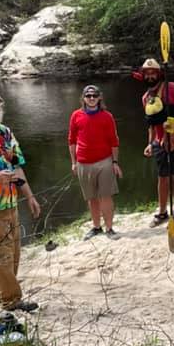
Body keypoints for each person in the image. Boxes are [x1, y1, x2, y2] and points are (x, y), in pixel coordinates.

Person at [0, 91, 41, 312]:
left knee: (14, 251)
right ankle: (12, 300)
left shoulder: (6, 133)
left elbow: (17, 166)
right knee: (0, 253)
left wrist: (30, 196)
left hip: (11, 203)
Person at [68, 85, 122, 240]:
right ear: (83, 98)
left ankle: (110, 228)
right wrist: (73, 162)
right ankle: (96, 227)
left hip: (104, 161)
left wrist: (115, 162)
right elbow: (71, 140)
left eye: (94, 95)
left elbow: (114, 141)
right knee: (91, 197)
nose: (91, 98)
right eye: (88, 95)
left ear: (100, 98)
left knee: (105, 196)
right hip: (83, 163)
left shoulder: (107, 116)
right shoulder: (76, 115)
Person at [140, 57, 174, 227]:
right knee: (162, 177)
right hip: (159, 142)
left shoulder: (173, 89)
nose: (150, 76)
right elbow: (150, 124)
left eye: (153, 73)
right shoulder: (145, 98)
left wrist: (171, 137)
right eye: (147, 73)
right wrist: (150, 143)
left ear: (159, 73)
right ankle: (163, 211)